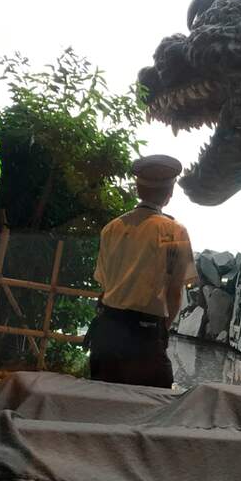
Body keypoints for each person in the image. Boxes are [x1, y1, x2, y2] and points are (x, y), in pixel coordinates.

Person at [87, 155, 198, 387]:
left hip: (107, 331)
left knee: (101, 401)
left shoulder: (112, 228)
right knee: (153, 406)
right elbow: (175, 293)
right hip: (146, 336)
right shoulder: (175, 232)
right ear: (170, 194)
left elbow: (105, 284)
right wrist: (161, 331)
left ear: (138, 188)